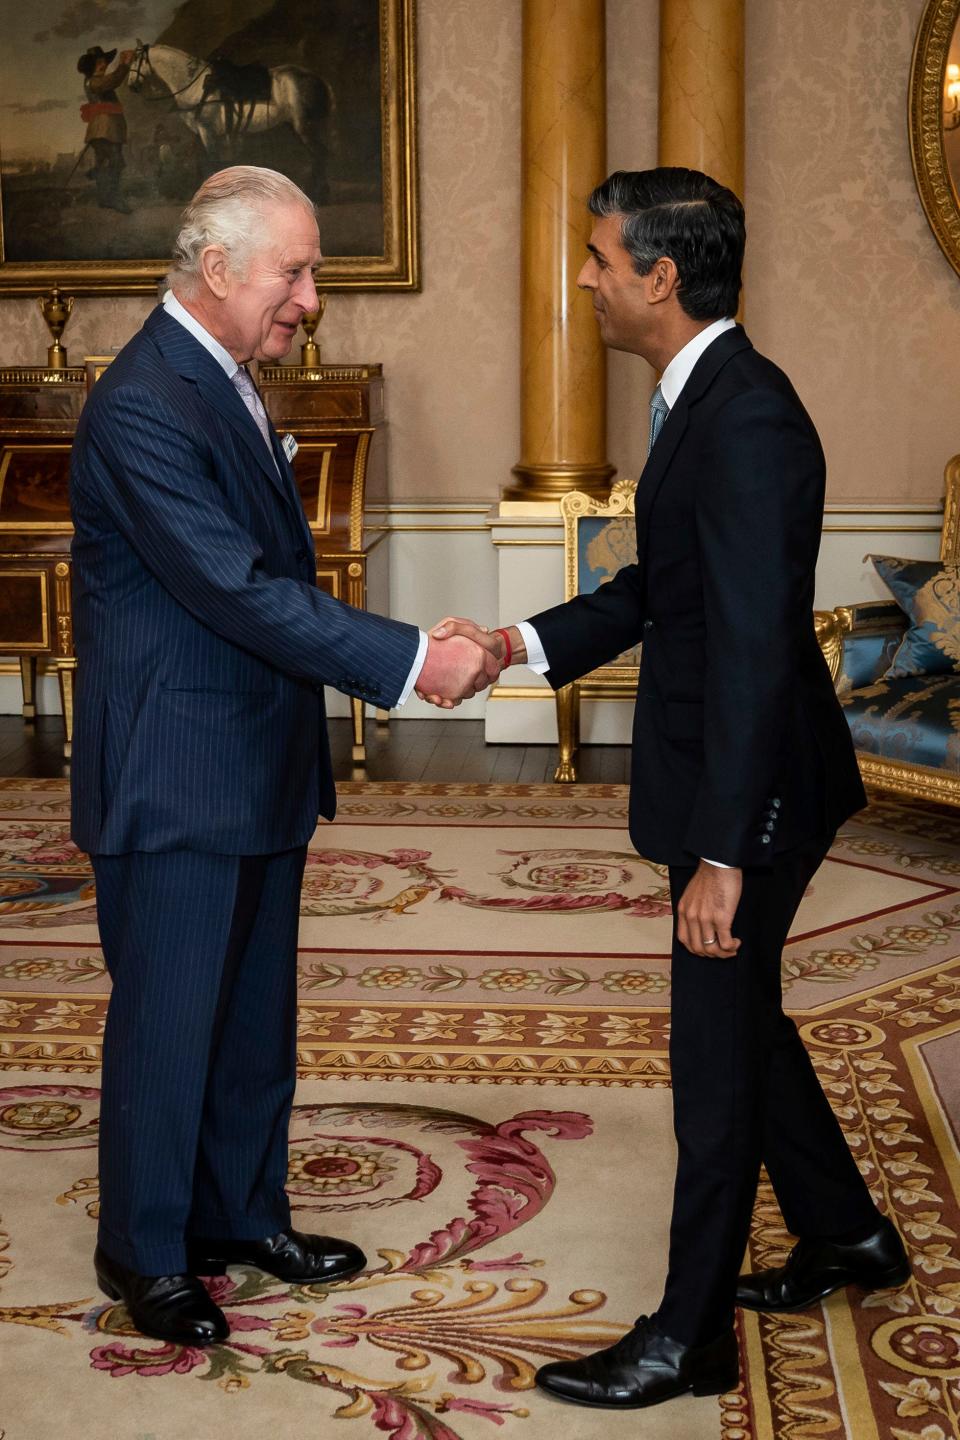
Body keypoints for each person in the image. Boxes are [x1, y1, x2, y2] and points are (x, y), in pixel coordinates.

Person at [432, 167, 910, 1412]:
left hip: (755, 798)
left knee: (711, 1062)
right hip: (737, 779)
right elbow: (662, 590)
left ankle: (686, 1336)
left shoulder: (747, 417)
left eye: (599, 258)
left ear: (660, 275)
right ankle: (850, 1236)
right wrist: (512, 646)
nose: (583, 279)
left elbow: (754, 648)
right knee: (744, 1020)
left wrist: (726, 853)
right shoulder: (697, 399)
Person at [70, 165, 497, 1349]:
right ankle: (148, 1253)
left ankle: (242, 1215)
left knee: (253, 1018)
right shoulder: (144, 401)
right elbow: (235, 586)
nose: (311, 298)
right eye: (295, 272)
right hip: (174, 772)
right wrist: (412, 659)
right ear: (218, 271)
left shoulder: (226, 379)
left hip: (250, 756)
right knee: (168, 1023)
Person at [76, 45, 134, 214]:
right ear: (90, 66)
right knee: (115, 163)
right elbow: (114, 80)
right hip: (105, 130)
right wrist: (125, 64)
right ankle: (114, 199)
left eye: (104, 62)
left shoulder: (93, 81)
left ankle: (104, 198)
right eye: (98, 63)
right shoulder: (94, 82)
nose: (103, 65)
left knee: (103, 163)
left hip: (104, 129)